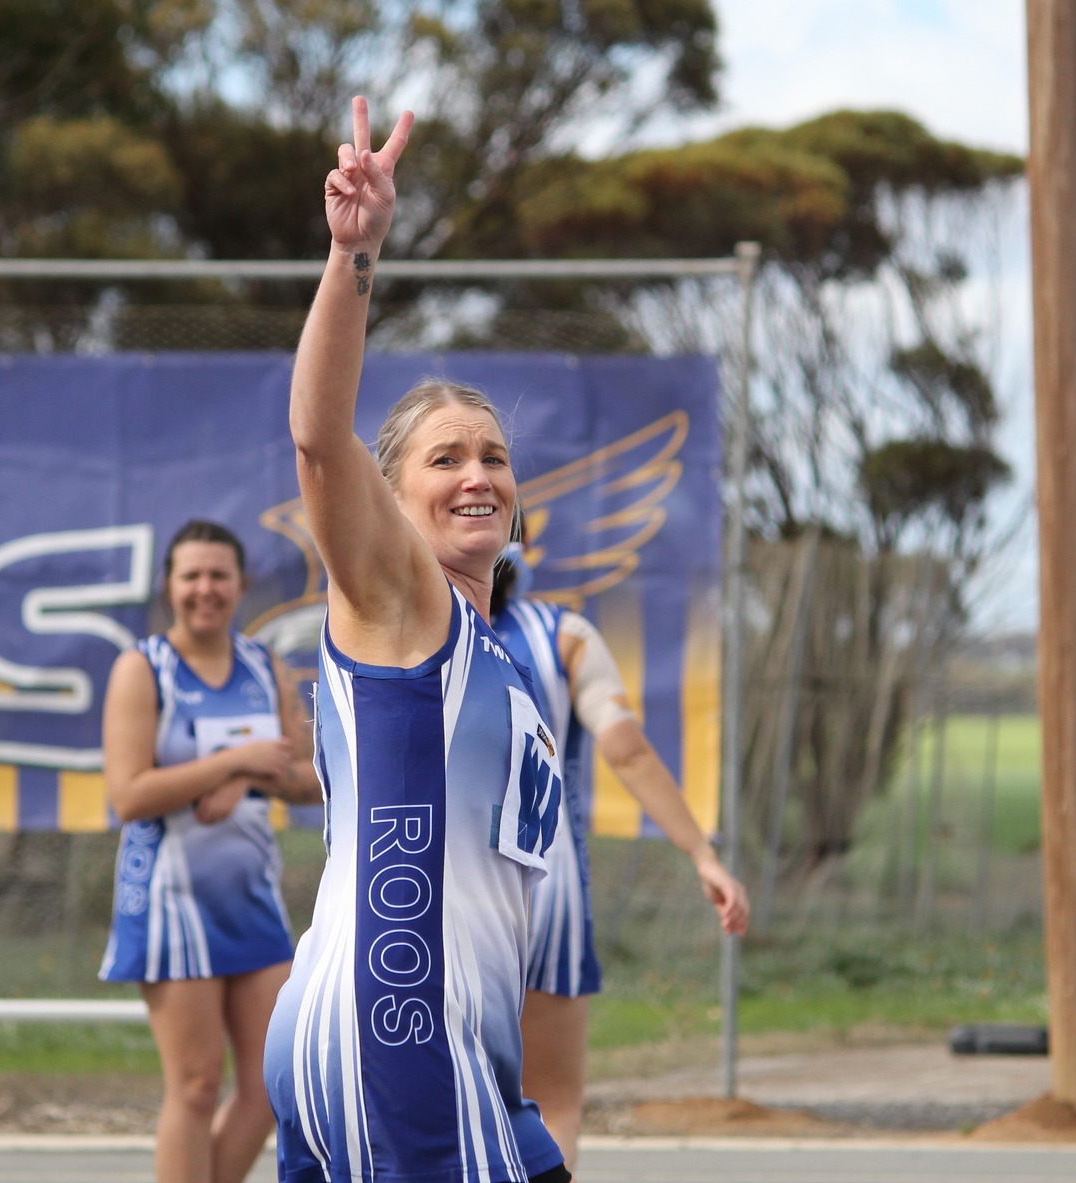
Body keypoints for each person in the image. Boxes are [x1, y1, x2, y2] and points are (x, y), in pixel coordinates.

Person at [263, 96, 571, 1183]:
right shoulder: (409, 607)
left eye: (491, 454)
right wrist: (355, 257)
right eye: (442, 459)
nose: (477, 473)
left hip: (429, 1040)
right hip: (400, 1029)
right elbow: (315, 435)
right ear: (387, 501)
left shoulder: (500, 651)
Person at [490, 547, 750, 1169]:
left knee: (436, 1107)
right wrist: (700, 854)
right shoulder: (563, 635)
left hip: (426, 886)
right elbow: (627, 752)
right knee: (550, 1103)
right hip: (543, 886)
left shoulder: (401, 628)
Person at [100, 519, 322, 1183]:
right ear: (169, 585)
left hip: (253, 901)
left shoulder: (263, 665)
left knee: (274, 1086)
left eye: (219, 575)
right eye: (191, 575)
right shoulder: (143, 668)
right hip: (173, 903)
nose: (205, 588)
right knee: (196, 1086)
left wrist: (249, 776)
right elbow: (130, 794)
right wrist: (232, 760)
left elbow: (308, 779)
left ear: (241, 585)